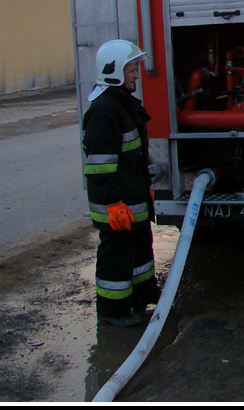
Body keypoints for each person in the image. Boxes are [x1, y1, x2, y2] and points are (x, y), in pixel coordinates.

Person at [82, 39, 161, 327]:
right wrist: (113, 203)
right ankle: (112, 312)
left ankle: (143, 294)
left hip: (131, 198)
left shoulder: (121, 105)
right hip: (116, 203)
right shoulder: (105, 111)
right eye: (131, 69)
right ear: (113, 70)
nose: (136, 75)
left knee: (140, 248)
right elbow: (101, 167)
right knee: (117, 256)